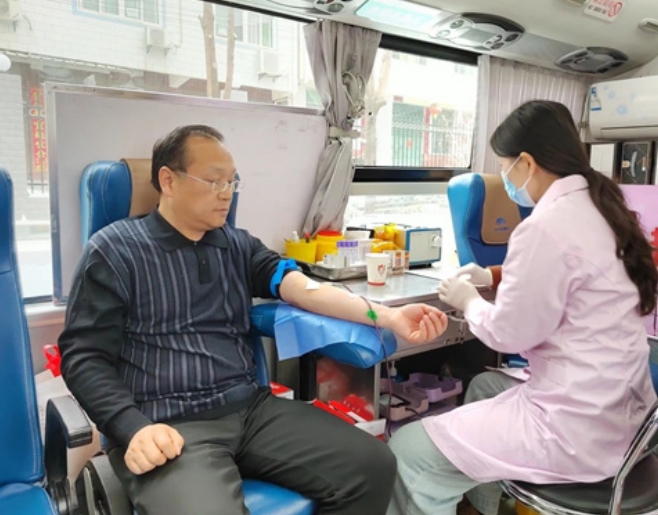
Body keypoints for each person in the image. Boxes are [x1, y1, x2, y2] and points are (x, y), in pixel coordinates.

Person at [59, 125, 448, 515]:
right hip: (167, 424)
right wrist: (132, 427)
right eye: (214, 181)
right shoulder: (114, 252)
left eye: (232, 182)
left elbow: (305, 290)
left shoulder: (237, 245)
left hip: (251, 411)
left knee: (372, 466)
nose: (226, 193)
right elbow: (84, 357)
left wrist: (389, 315)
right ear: (168, 181)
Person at [386, 100, 658, 515]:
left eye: (505, 166)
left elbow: (508, 334)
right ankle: (483, 508)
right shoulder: (603, 208)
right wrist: (492, 276)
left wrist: (468, 301)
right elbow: (574, 273)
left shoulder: (545, 226)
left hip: (574, 427)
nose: (506, 179)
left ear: (527, 163)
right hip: (619, 408)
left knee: (410, 451)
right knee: (483, 386)